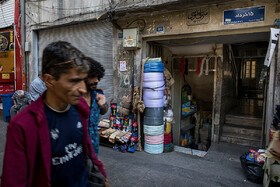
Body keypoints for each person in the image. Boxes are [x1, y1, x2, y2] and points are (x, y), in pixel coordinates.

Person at [1, 41, 108, 187]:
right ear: (50, 80)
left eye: (82, 80)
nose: (83, 89)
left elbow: (86, 150)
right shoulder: (22, 126)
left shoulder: (79, 107)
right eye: (73, 81)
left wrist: (100, 173)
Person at [83, 57, 108, 156]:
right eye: (93, 77)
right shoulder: (73, 97)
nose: (96, 80)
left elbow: (103, 111)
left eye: (98, 77)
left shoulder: (98, 93)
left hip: (94, 144)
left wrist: (102, 105)